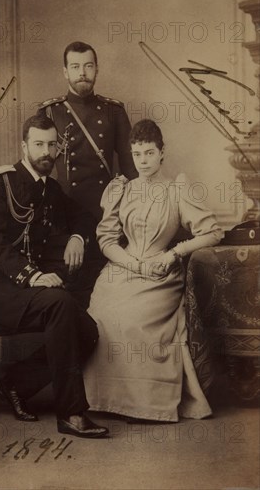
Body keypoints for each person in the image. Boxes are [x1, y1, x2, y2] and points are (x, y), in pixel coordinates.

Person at [0, 113, 108, 438]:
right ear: (24, 146)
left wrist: (78, 237)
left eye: (52, 145)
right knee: (60, 304)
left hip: (37, 289)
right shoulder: (2, 182)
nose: (46, 152)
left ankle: (14, 385)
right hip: (3, 286)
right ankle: (72, 413)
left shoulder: (52, 189)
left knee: (88, 332)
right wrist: (32, 275)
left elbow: (85, 216)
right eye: (39, 144)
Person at [83, 119, 224, 422]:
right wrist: (132, 263)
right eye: (137, 154)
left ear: (162, 152)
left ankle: (144, 403)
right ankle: (102, 399)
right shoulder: (122, 189)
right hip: (124, 267)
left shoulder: (177, 190)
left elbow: (213, 232)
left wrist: (173, 254)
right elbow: (106, 239)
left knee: (136, 320)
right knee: (102, 316)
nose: (143, 161)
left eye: (149, 153)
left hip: (161, 272)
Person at [37, 41, 137, 301]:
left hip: (106, 213)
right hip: (63, 215)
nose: (82, 72)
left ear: (96, 70)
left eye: (88, 66)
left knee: (105, 291)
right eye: (75, 66)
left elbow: (131, 170)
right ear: (65, 72)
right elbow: (37, 172)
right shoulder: (49, 111)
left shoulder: (114, 111)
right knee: (69, 289)